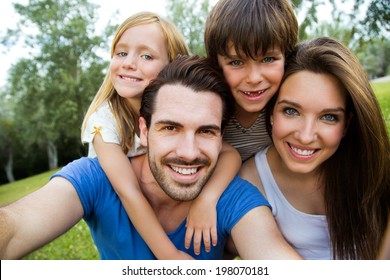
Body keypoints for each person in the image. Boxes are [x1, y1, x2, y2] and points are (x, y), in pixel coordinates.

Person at [0, 55, 301, 260]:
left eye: (206, 131)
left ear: (222, 137)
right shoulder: (96, 178)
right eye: (170, 127)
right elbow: (13, 229)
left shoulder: (231, 197)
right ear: (143, 131)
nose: (188, 152)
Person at [80, 12, 240, 258]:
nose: (129, 63)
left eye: (146, 56)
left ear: (172, 64)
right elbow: (128, 191)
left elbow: (230, 154)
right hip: (123, 213)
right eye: (121, 53)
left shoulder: (182, 111)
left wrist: (206, 200)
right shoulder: (104, 119)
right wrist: (170, 257)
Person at [239, 37, 390, 259]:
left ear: (347, 124)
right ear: (271, 113)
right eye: (291, 111)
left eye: (329, 117)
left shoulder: (373, 168)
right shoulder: (250, 182)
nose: (306, 136)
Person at [204, 0, 298, 162]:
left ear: (287, 57)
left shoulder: (293, 108)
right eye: (236, 62)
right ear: (216, 64)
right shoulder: (204, 110)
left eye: (268, 59)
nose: (254, 78)